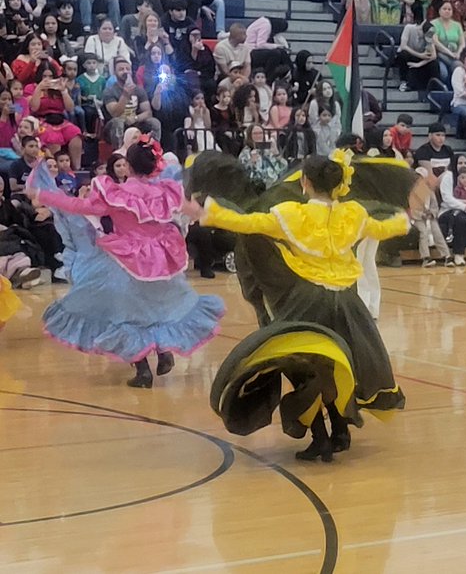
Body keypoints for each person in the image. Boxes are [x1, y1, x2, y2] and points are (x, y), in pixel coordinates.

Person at [185, 151, 414, 461]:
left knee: (298, 364)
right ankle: (340, 430)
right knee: (337, 365)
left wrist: (208, 211)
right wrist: (402, 219)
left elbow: (247, 222)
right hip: (347, 302)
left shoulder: (292, 214)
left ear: (305, 182)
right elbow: (390, 227)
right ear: (338, 185)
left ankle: (320, 437)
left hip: (309, 300)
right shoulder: (354, 214)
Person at [28, 138, 225, 388]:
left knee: (127, 315)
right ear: (153, 165)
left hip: (127, 259)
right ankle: (163, 352)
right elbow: (195, 211)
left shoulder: (115, 192)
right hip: (163, 259)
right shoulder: (165, 191)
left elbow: (78, 205)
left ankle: (143, 371)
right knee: (160, 306)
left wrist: (45, 194)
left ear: (128, 166)